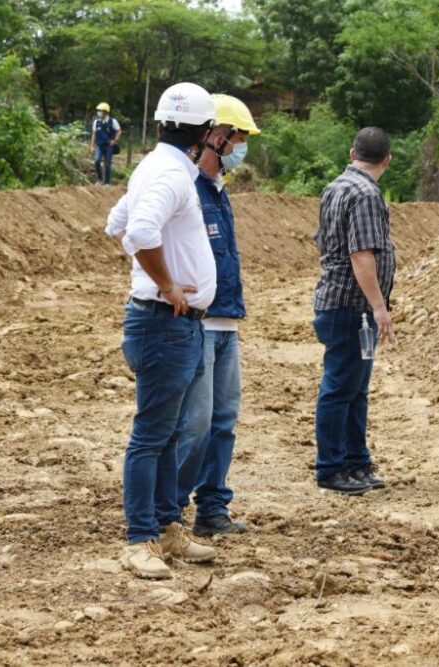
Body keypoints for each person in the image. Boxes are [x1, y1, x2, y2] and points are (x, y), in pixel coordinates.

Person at [104, 82, 219, 579]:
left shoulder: (156, 169)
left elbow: (115, 223)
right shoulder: (171, 175)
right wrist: (167, 283)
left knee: (168, 434)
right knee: (152, 436)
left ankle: (168, 527)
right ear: (205, 132)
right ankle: (139, 539)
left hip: (172, 323)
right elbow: (137, 233)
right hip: (164, 321)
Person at [171, 94, 260, 537]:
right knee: (196, 424)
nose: (242, 148)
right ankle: (168, 510)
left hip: (226, 322)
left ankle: (211, 508)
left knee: (223, 420)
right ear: (217, 137)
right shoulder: (185, 189)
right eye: (239, 138)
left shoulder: (220, 193)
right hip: (198, 325)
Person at [311, 127, 397, 496]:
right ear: (387, 161)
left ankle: (355, 460)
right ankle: (332, 467)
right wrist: (379, 307)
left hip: (343, 304)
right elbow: (361, 255)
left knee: (355, 387)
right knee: (341, 386)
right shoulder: (364, 194)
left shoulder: (336, 187)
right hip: (352, 307)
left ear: (352, 153)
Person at [90, 102, 121, 185]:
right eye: (98, 110)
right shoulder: (96, 122)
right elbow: (94, 134)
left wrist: (115, 140)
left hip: (109, 146)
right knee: (97, 161)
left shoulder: (113, 121)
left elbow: (119, 131)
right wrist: (92, 146)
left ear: (106, 112)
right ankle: (100, 179)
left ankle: (107, 182)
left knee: (107, 164)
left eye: (101, 111)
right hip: (99, 146)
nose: (99, 112)